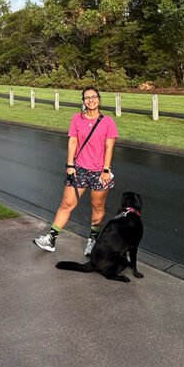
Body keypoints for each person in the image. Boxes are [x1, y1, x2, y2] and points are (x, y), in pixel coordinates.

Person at [33, 86, 117, 255]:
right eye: (87, 98)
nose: (91, 100)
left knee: (97, 206)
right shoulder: (77, 119)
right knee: (66, 204)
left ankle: (93, 241)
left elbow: (109, 146)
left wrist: (106, 170)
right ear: (83, 101)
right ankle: (51, 238)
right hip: (79, 169)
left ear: (99, 99)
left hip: (100, 171)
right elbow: (72, 141)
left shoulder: (108, 121)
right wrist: (70, 165)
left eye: (94, 97)